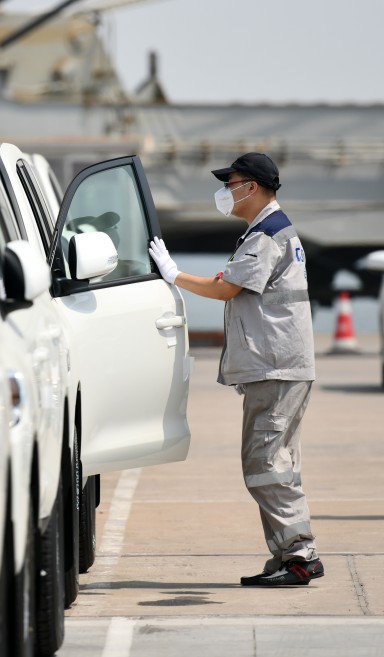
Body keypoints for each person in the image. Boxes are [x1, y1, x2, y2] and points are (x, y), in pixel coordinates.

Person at [148, 152, 324, 587]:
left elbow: (226, 288)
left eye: (233, 183)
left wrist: (173, 274)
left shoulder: (267, 233)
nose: (227, 191)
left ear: (254, 187)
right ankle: (287, 553)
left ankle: (300, 553)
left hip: (276, 367)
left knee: (265, 463)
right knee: (275, 462)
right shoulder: (269, 231)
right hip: (279, 364)